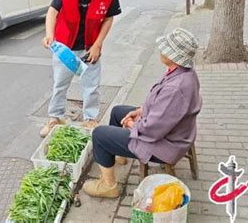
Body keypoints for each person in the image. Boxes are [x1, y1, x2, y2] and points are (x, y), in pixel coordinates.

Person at [82, 28, 202, 198]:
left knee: (100, 134)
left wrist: (131, 124)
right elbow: (163, 107)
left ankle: (108, 186)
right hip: (172, 131)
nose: (161, 50)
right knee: (117, 111)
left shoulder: (176, 88)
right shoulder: (183, 72)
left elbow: (152, 129)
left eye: (165, 49)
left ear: (173, 56)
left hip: (165, 144)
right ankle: (118, 155)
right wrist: (141, 111)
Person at [40, 0, 122, 137]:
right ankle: (55, 117)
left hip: (89, 49)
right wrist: (49, 34)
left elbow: (109, 18)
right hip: (64, 47)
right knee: (59, 84)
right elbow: (53, 11)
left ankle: (90, 119)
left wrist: (97, 44)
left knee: (91, 87)